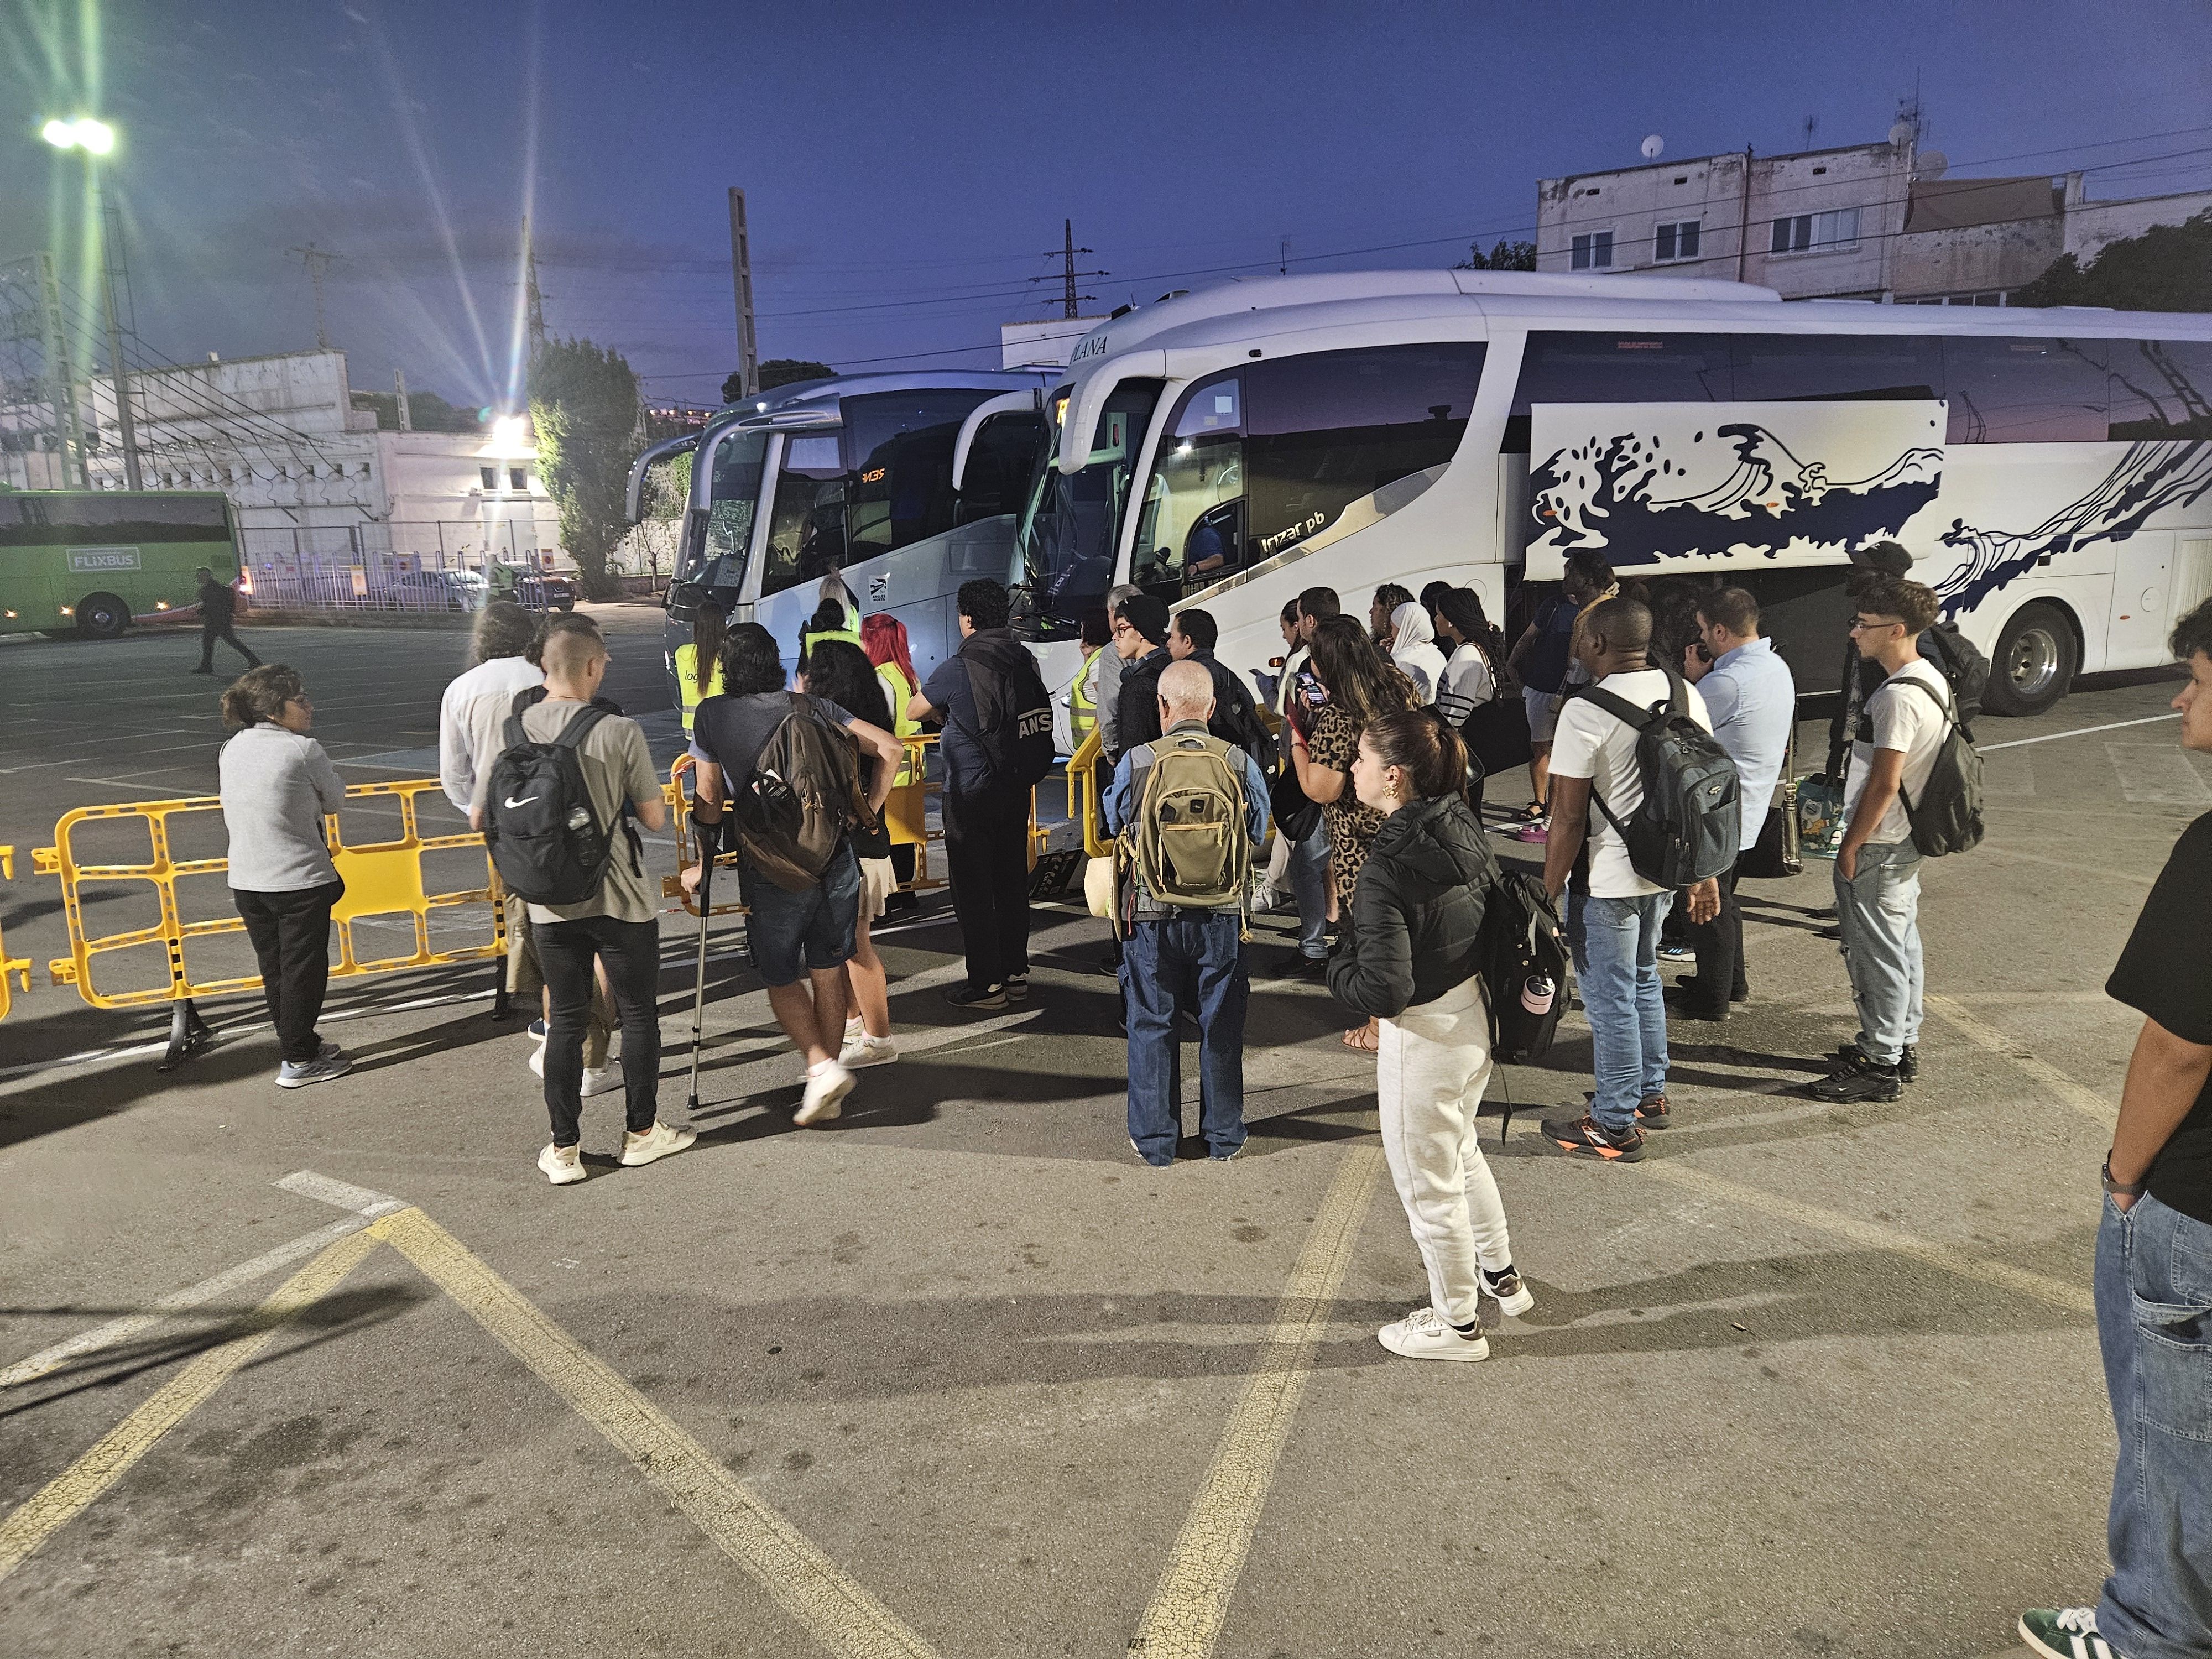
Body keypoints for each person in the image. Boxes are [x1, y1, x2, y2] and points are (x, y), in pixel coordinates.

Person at [2017, 599, 2212, 1659]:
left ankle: (2153, 1633)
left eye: (2199, 677)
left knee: (2174, 1433)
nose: (2182, 696)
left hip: (2196, 1204)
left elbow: (2179, 1045)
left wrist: (2122, 1180)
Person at [1328, 706, 1534, 1361]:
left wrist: (1336, 971)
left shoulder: (1386, 865)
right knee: (1460, 1152)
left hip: (1423, 1037)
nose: (1350, 768)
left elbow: (1384, 990)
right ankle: (1499, 1274)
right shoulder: (1457, 821)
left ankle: (1456, 1327)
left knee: (1427, 1188)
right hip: (1472, 1015)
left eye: (1360, 759)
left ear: (1392, 777)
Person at [475, 626, 693, 1185]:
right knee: (639, 1012)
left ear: (546, 667)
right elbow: (652, 818)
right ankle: (642, 1134)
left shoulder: (510, 731)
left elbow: (481, 818)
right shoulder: (619, 730)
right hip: (622, 897)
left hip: (548, 903)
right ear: (592, 666)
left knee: (566, 1021)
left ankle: (564, 1150)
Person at [691, 622, 902, 1120]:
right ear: (775, 662)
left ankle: (820, 1068)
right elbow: (892, 749)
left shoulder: (712, 715)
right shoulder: (810, 706)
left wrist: (702, 863)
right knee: (828, 969)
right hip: (834, 855)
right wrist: (867, 810)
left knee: (780, 973)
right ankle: (825, 1089)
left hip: (771, 864)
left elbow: (708, 798)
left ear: (727, 668)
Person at [1537, 597, 1719, 1161]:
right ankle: (1647, 1093)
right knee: (1642, 979)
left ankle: (1612, 1123)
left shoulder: (1585, 710)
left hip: (1608, 878)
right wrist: (1702, 874)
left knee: (1609, 998)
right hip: (1663, 869)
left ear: (1595, 643)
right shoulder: (1685, 693)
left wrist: (1545, 894)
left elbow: (1567, 818)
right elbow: (1704, 791)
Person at [1105, 659, 1269, 1166]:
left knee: (1152, 1020)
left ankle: (1156, 1143)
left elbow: (1114, 819)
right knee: (1220, 1022)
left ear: (1163, 707)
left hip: (1150, 914)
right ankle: (1224, 1136)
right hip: (1221, 912)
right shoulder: (1237, 761)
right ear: (1213, 707)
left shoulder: (1138, 760)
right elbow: (1259, 830)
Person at [1809, 576, 1950, 1104]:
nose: (1854, 634)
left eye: (1864, 626)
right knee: (1901, 943)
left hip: (1881, 841)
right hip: (1903, 839)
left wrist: (1850, 845)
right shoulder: (1929, 677)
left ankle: (1880, 1062)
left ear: (1897, 630)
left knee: (1877, 953)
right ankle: (1900, 1042)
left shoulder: (1895, 699)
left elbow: (1885, 782)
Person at [909, 579, 1047, 1009]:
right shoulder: (1023, 658)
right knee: (1010, 882)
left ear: (967, 618)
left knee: (973, 888)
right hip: (1015, 783)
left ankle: (987, 983)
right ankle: (1015, 972)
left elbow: (916, 710)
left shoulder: (958, 666)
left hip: (970, 791)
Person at [1290, 613, 1421, 1051]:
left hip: (1361, 845)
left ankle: (1380, 1026)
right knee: (1410, 926)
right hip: (1412, 823)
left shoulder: (1339, 716)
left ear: (1325, 665)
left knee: (1371, 935)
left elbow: (1322, 789)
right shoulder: (1401, 686)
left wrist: (1296, 741)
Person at [1668, 586, 1797, 1022]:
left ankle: (1713, 998)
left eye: (1704, 629)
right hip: (1750, 803)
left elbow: (1683, 726)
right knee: (1724, 897)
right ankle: (1731, 982)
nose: (1701, 638)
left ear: (1720, 630)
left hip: (1718, 810)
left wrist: (1692, 678)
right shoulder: (1775, 666)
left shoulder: (1727, 681)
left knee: (1707, 905)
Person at [218, 664, 349, 1089]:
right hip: (297, 879)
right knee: (304, 973)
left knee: (275, 969)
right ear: (275, 709)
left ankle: (300, 1044)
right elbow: (334, 801)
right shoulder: (302, 749)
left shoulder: (232, 748)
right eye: (300, 700)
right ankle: (298, 1058)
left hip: (247, 878)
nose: (309, 707)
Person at [794, 638, 901, 1071]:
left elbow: (894, 750)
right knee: (843, 944)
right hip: (856, 846)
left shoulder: (840, 720)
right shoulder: (855, 715)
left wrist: (869, 810)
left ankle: (878, 1039)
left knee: (856, 946)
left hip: (857, 849)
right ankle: (859, 1026)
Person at [1503, 551, 1615, 844]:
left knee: (1571, 766)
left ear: (1588, 579)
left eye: (1571, 572)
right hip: (1579, 698)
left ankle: (1555, 824)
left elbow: (1583, 669)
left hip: (1587, 701)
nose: (1565, 578)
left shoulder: (1598, 614)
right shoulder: (1587, 610)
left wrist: (1571, 702)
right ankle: (1555, 820)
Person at [862, 611, 924, 899]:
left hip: (888, 767)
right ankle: (906, 889)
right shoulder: (907, 675)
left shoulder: (880, 678)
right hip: (911, 766)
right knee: (906, 833)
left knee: (887, 833)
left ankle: (894, 893)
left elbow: (880, 726)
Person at [1167, 607, 1276, 770]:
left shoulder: (1189, 676)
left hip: (1209, 765)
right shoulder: (1227, 674)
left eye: (1172, 637)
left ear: (1187, 641)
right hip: (1236, 760)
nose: (1168, 643)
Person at [1431, 587, 1503, 817]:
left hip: (1463, 746)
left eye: (1438, 613)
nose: (1435, 619)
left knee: (1465, 817)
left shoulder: (1466, 654)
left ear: (1451, 621)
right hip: (1475, 742)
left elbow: (1455, 715)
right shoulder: (1476, 649)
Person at [1108, 593, 1175, 761]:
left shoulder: (1137, 687)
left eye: (1121, 629)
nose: (1115, 637)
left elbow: (1133, 753)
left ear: (1141, 631)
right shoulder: (1176, 668)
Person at [1092, 582, 1144, 764]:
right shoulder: (1164, 644)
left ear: (1114, 612)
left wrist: (1111, 750)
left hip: (1129, 753)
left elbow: (1109, 707)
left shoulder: (1113, 652)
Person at [192, 565, 261, 676]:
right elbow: (228, 604)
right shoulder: (222, 588)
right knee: (226, 641)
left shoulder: (206, 590)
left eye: (200, 575)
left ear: (206, 576)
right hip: (224, 619)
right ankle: (254, 661)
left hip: (215, 620)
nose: (198, 578)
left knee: (215, 642)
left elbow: (211, 606)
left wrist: (201, 611)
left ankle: (207, 666)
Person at [675, 601, 728, 739]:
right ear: (722, 626)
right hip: (720, 729)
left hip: (692, 729)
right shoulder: (725, 657)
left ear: (696, 626)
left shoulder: (682, 654)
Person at [1386, 599, 1449, 704]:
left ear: (1404, 630)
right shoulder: (1437, 654)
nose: (1392, 633)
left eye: (1393, 628)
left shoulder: (1399, 662)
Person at [1067, 608, 1112, 752]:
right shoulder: (1097, 657)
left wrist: (1091, 746)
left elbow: (1107, 706)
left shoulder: (1099, 662)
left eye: (1082, 628)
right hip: (1091, 746)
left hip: (1095, 749)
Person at [1369, 582, 1415, 648]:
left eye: (1375, 607)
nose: (1371, 612)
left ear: (1387, 611)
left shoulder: (1409, 648)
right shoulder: (1378, 644)